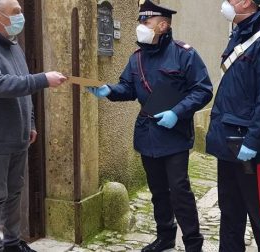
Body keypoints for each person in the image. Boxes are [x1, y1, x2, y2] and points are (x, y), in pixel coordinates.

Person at [88, 1, 213, 251]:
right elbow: (128, 88)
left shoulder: (184, 53)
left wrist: (177, 113)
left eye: (146, 22)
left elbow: (203, 90)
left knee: (179, 190)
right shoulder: (137, 58)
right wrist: (109, 89)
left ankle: (193, 243)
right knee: (158, 191)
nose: (140, 27)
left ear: (163, 25)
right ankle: (165, 236)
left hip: (174, 134)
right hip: (148, 134)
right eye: (140, 22)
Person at [0, 0, 67, 251]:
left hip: (18, 135)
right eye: (16, 12)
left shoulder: (11, 42)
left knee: (15, 192)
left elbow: (22, 87)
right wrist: (43, 79)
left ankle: (12, 243)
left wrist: (30, 122)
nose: (21, 17)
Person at [206, 0, 260, 251]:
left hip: (248, 146)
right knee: (230, 209)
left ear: (245, 2)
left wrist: (253, 141)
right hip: (228, 142)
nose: (225, 3)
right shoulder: (240, 34)